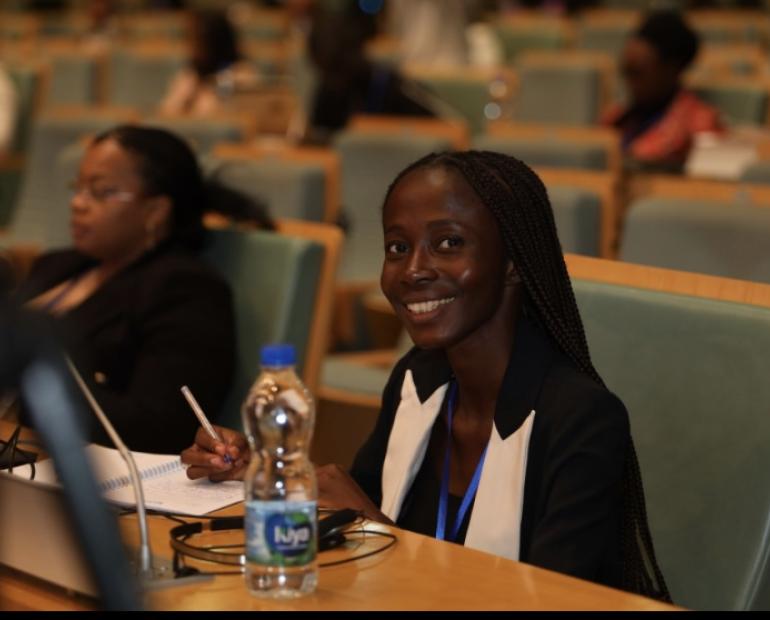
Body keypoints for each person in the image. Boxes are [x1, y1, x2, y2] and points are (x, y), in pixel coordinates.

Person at [181, 150, 670, 600]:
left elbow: (550, 602)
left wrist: (378, 532)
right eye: (397, 247)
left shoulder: (581, 418)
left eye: (449, 243)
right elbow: (359, 512)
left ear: (513, 263)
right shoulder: (418, 379)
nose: (413, 269)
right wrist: (269, 475)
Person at [13, 125, 236, 454]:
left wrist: (26, 389)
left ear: (156, 211)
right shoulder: (55, 265)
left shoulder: (186, 289)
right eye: (77, 188)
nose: (78, 203)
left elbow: (160, 425)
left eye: (100, 192)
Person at [601, 10, 722, 172]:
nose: (629, 81)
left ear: (671, 69)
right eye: (626, 71)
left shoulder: (700, 123)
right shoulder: (616, 117)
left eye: (638, 72)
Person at [159, 9, 260, 116]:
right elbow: (167, 112)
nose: (192, 46)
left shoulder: (242, 74)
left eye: (197, 39)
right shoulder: (190, 75)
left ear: (215, 40)